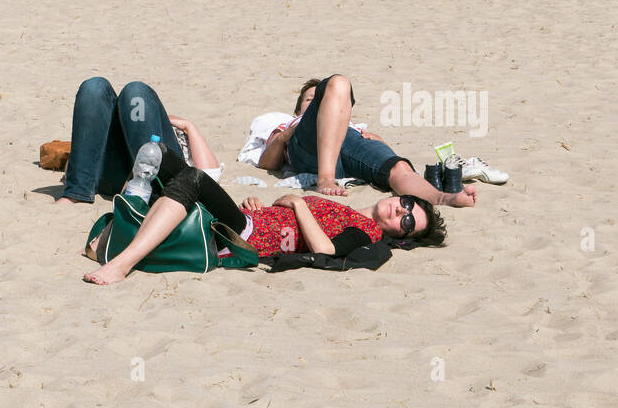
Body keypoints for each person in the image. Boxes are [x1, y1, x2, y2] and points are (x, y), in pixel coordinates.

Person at [82, 154, 446, 285]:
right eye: (408, 204)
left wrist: (299, 206)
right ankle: (128, 218)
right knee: (158, 154)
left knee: (194, 179)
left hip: (249, 238)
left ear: (403, 235)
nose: (402, 212)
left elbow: (326, 250)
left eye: (409, 222)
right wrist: (264, 206)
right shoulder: (347, 208)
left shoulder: (365, 232)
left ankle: (122, 263)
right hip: (247, 219)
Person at [256, 74, 479, 210]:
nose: (320, 102)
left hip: (350, 138)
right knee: (339, 83)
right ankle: (326, 179)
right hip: (309, 145)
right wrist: (284, 137)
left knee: (398, 167)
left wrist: (379, 140)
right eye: (311, 100)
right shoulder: (287, 123)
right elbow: (267, 163)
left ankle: (443, 198)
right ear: (297, 109)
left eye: (323, 99)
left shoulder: (355, 126)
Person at [58, 77, 220, 204]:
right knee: (94, 87)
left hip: (158, 172)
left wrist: (189, 126)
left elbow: (209, 174)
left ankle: (152, 189)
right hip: (115, 174)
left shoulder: (177, 134)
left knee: (135, 91)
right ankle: (77, 191)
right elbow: (71, 164)